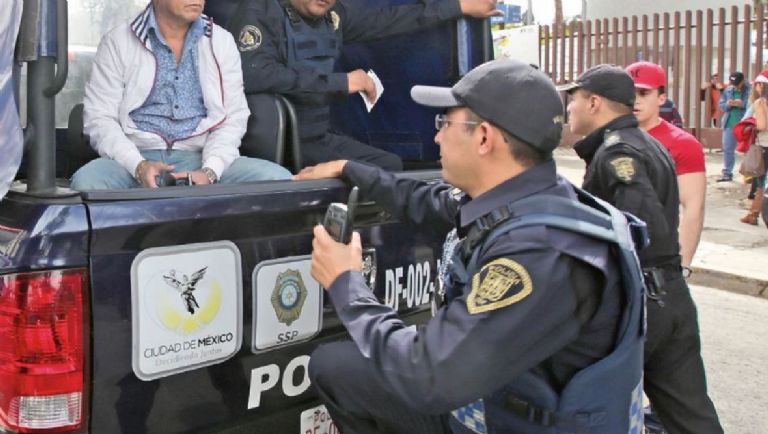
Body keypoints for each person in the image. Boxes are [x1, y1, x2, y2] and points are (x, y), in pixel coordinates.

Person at [296, 60, 645, 433]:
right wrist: (350, 168)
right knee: (339, 367)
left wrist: (347, 282)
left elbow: (429, 376)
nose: (436, 137)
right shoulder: (524, 197)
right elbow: (423, 200)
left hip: (516, 422)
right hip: (492, 404)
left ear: (484, 138)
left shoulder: (542, 253)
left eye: (444, 123)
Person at [560, 64, 723, 434]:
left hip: (641, 303)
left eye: (574, 99)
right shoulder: (644, 142)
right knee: (690, 416)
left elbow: (642, 227)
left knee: (591, 411)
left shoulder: (619, 154)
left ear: (595, 103)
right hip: (670, 296)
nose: (569, 109)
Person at [226, 0, 501, 171]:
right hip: (279, 144)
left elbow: (389, 20)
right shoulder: (259, 11)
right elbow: (255, 75)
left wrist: (459, 7)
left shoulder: (334, 16)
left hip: (319, 137)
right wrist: (340, 82)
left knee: (389, 165)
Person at [70, 0, 291, 191]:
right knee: (87, 182)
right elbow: (99, 118)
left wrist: (210, 171)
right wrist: (139, 166)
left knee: (278, 180)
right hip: (132, 157)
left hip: (200, 157)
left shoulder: (221, 41)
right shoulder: (118, 41)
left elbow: (234, 117)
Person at [626, 61, 706, 271]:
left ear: (661, 97)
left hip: (658, 258)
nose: (635, 100)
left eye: (643, 93)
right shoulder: (607, 138)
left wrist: (683, 264)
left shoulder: (683, 144)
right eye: (630, 92)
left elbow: (693, 208)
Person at [740, 69, 768, 225]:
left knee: (761, 182)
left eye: (757, 84)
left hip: (764, 145)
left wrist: (753, 125)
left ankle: (754, 214)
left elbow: (762, 125)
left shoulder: (760, 102)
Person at [717, 71, 750, 182]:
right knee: (727, 149)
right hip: (729, 123)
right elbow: (721, 105)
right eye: (732, 83)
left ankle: (749, 174)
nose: (735, 86)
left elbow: (752, 105)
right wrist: (728, 104)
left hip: (744, 124)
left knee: (748, 149)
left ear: (743, 81)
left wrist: (742, 104)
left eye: (737, 83)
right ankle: (727, 173)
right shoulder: (728, 90)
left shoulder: (749, 89)